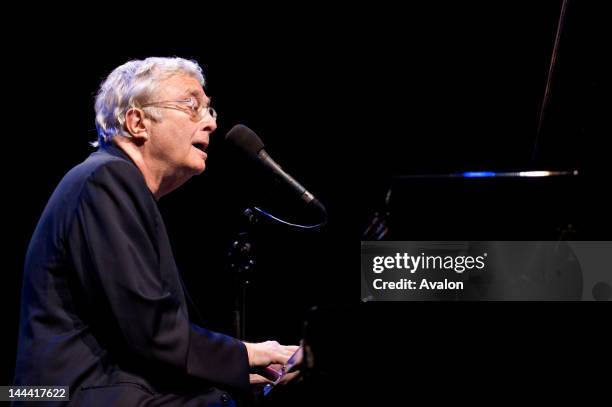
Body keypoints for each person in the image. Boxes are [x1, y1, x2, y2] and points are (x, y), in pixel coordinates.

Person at [14, 57, 299, 406]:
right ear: (137, 122)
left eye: (210, 110)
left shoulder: (113, 184)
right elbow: (151, 331)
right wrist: (249, 354)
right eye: (192, 106)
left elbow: (135, 339)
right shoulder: (107, 179)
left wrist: (236, 373)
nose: (210, 123)